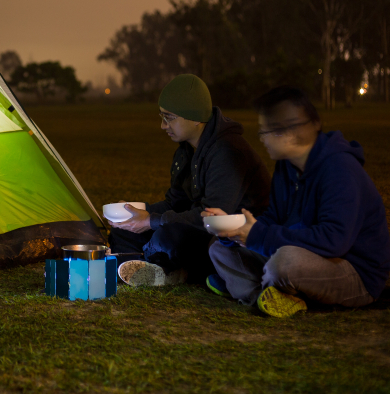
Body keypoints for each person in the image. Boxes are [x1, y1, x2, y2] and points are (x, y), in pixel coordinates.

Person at [205, 86, 390, 318]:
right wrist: (238, 228)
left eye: (267, 131)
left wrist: (258, 237)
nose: (262, 138)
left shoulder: (340, 170)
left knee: (284, 264)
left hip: (353, 269)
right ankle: (265, 296)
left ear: (289, 132)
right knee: (220, 249)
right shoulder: (287, 166)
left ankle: (250, 287)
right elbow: (275, 218)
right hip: (306, 254)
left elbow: (334, 241)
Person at [108, 74, 270, 287]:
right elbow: (175, 203)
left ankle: (171, 270)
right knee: (123, 230)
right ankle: (155, 267)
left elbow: (212, 218)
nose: (163, 126)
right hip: (197, 229)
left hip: (232, 239)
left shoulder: (229, 152)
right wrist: (134, 213)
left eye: (169, 117)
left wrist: (150, 220)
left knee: (168, 238)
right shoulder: (186, 151)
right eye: (162, 117)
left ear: (195, 117)